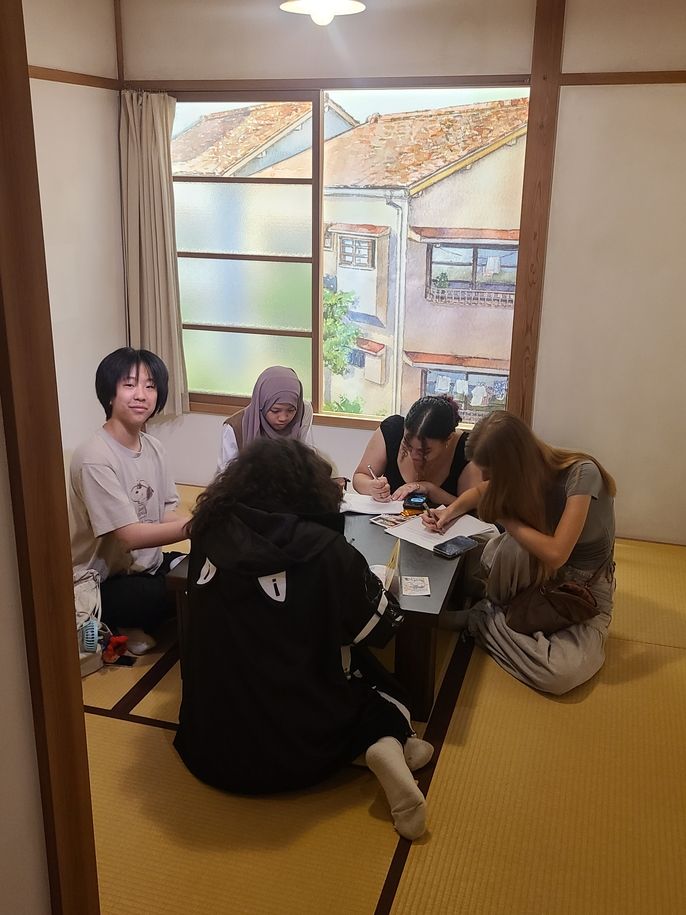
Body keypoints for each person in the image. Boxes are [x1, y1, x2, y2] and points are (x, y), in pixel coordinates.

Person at [174, 438, 433, 840]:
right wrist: (377, 584)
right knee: (378, 686)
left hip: (209, 742)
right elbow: (381, 628)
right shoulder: (325, 549)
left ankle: (380, 748)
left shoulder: (208, 529)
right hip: (294, 751)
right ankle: (385, 741)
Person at [423, 411, 616, 695]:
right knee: (498, 549)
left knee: (559, 675)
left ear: (514, 463)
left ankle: (483, 620)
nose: (487, 479)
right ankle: (504, 618)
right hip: (537, 578)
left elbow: (557, 553)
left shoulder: (582, 474)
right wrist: (447, 514)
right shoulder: (522, 475)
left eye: (491, 472)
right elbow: (479, 493)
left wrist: (507, 519)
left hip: (581, 593)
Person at [70, 348, 190, 655]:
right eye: (130, 384)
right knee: (166, 595)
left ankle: (132, 623)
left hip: (145, 567)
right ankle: (111, 624)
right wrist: (195, 527)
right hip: (103, 579)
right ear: (109, 393)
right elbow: (130, 536)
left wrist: (210, 524)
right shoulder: (95, 457)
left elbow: (164, 513)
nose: (141, 395)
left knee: (198, 571)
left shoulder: (153, 447)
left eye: (150, 386)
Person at [352, 395, 482, 504]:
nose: (414, 455)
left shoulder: (466, 449)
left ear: (447, 440)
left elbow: (471, 507)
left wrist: (430, 489)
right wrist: (372, 488)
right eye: (407, 445)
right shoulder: (392, 431)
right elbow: (360, 476)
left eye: (424, 451)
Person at [217, 365, 314, 472]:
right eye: (275, 411)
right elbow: (226, 474)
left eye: (291, 410)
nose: (283, 418)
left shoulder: (303, 411)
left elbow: (307, 453)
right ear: (261, 404)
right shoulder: (234, 427)